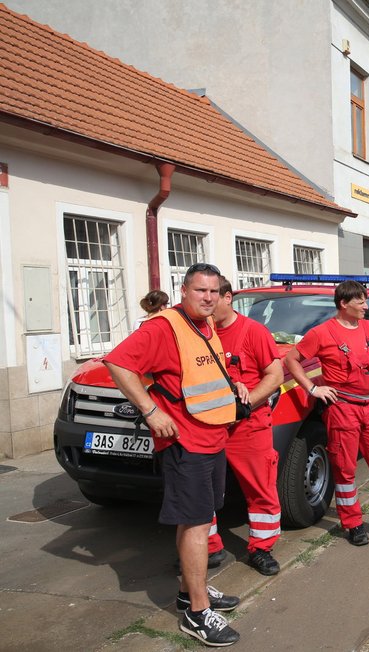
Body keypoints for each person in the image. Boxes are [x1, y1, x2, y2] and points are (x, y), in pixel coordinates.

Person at [103, 263, 241, 647]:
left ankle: (188, 590)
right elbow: (117, 362)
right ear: (184, 290)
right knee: (196, 524)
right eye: (200, 291)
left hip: (211, 437)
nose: (208, 298)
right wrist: (150, 410)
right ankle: (197, 614)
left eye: (214, 291)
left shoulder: (205, 324)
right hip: (186, 442)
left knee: (198, 519)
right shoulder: (164, 326)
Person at [282, 280, 369, 547]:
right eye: (361, 302)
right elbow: (291, 360)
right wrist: (312, 388)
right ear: (344, 304)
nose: (366, 306)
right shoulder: (322, 333)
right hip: (342, 409)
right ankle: (353, 524)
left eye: (365, 301)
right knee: (345, 470)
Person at [209, 276, 284, 576]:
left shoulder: (254, 332)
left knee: (260, 486)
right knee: (202, 489)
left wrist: (247, 403)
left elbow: (275, 375)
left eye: (214, 297)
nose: (207, 304)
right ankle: (208, 546)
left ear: (228, 298)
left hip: (248, 425)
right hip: (209, 426)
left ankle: (262, 548)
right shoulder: (200, 332)